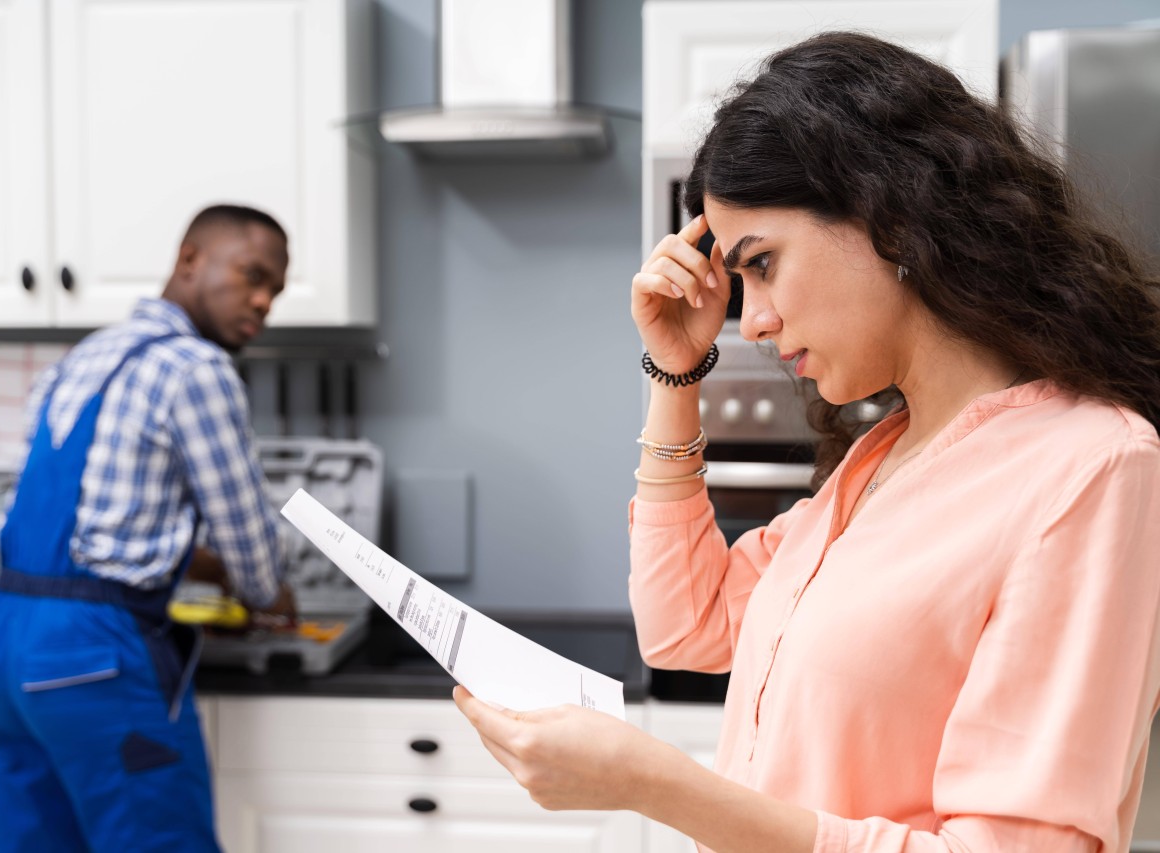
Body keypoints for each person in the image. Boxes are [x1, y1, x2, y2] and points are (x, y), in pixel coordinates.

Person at [454, 31, 1160, 853]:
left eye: (762, 264)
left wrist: (654, 784)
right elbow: (689, 625)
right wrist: (675, 376)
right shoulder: (883, 458)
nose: (750, 319)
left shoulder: (1091, 467)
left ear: (890, 217)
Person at [0, 204, 295, 851]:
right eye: (253, 275)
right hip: (91, 659)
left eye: (276, 290)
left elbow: (84, 525)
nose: (262, 300)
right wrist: (271, 595)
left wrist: (194, 563)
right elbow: (250, 543)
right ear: (190, 260)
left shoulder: (81, 358)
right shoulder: (197, 369)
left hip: (3, 647)